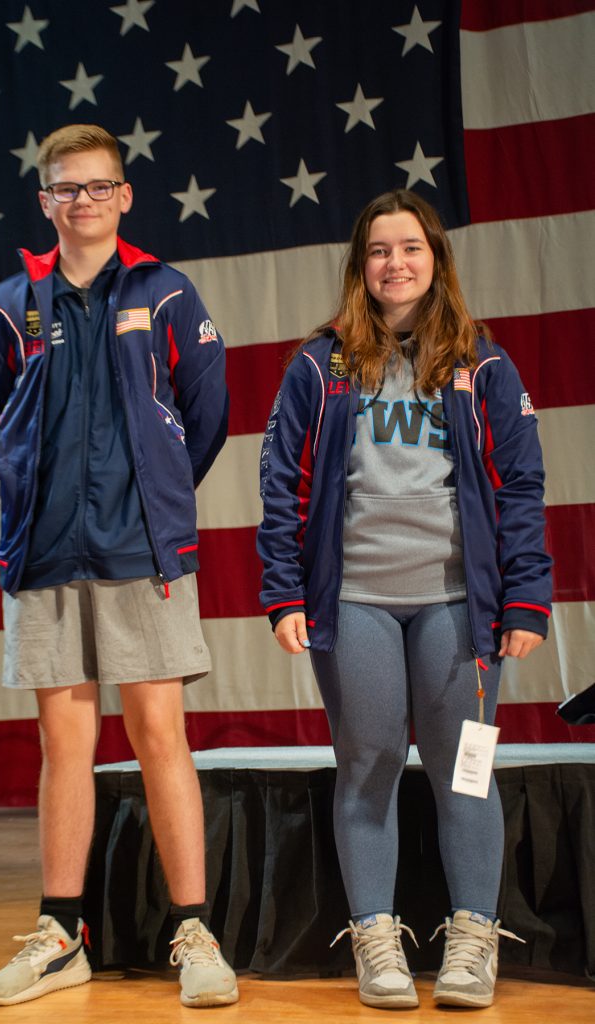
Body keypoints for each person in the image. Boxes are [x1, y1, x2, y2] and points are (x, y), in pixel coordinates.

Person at [257, 189, 552, 1009]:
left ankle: (470, 939)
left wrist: (524, 597)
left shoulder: (482, 363)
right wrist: (283, 590)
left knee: (466, 773)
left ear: (435, 259)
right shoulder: (319, 365)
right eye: (379, 250)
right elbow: (281, 485)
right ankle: (377, 938)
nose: (395, 263)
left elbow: (520, 486)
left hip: (460, 602)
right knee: (370, 763)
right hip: (350, 601)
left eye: (410, 248)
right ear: (361, 265)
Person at [0, 124, 238, 1008]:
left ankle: (193, 930)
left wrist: (148, 491)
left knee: (161, 736)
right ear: (45, 202)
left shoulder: (164, 291)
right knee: (64, 745)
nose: (81, 201)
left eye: (97, 187)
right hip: (45, 553)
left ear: (124, 196)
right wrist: (37, 489)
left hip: (141, 551)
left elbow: (205, 415)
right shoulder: (13, 300)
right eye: (65, 189)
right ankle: (59, 935)